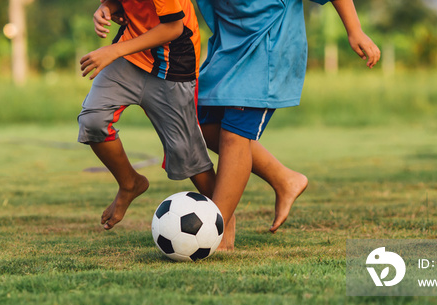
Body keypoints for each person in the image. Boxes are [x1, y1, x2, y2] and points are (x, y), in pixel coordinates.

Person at [196, 0, 381, 249]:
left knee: (235, 135)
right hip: (228, 49)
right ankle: (284, 179)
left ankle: (217, 236)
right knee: (200, 124)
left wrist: (354, 29)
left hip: (268, 47)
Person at [77, 0, 230, 239]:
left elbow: (173, 28)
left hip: (174, 64)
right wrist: (107, 8)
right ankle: (130, 183)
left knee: (187, 155)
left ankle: (224, 225)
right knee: (93, 121)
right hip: (130, 58)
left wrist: (113, 50)